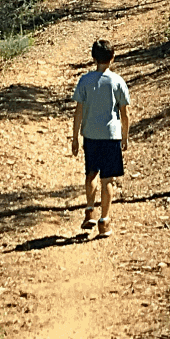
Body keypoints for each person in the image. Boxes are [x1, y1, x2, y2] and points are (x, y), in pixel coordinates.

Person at [70, 38, 130, 237]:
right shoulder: (117, 81)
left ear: (93, 58)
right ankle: (105, 221)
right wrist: (125, 136)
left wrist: (75, 137)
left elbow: (78, 111)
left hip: (91, 136)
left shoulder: (85, 81)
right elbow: (125, 113)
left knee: (91, 174)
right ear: (112, 58)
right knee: (108, 180)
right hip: (111, 137)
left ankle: (89, 210)